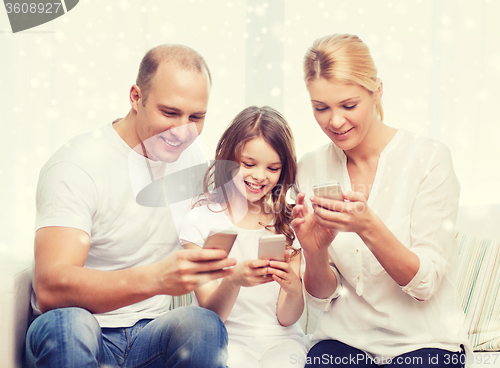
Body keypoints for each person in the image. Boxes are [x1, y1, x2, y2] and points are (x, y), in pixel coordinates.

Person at [25, 44, 237, 368]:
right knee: (69, 325)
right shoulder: (77, 165)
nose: (183, 132)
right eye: (169, 112)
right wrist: (156, 279)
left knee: (203, 326)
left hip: (149, 335)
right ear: (136, 97)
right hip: (83, 329)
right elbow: (51, 288)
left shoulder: (189, 155)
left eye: (196, 117)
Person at [292, 34, 471, 367]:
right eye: (321, 108)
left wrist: (367, 225)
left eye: (348, 105)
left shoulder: (429, 159)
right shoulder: (311, 167)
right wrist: (314, 252)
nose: (335, 121)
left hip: (426, 342)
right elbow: (321, 297)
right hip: (343, 341)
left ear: (377, 91)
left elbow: (425, 283)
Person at [179, 106, 308, 368]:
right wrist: (234, 281)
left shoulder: (290, 224)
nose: (260, 176)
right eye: (248, 164)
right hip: (225, 342)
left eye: (273, 168)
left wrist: (294, 289)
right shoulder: (201, 220)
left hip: (282, 341)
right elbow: (211, 316)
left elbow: (286, 318)